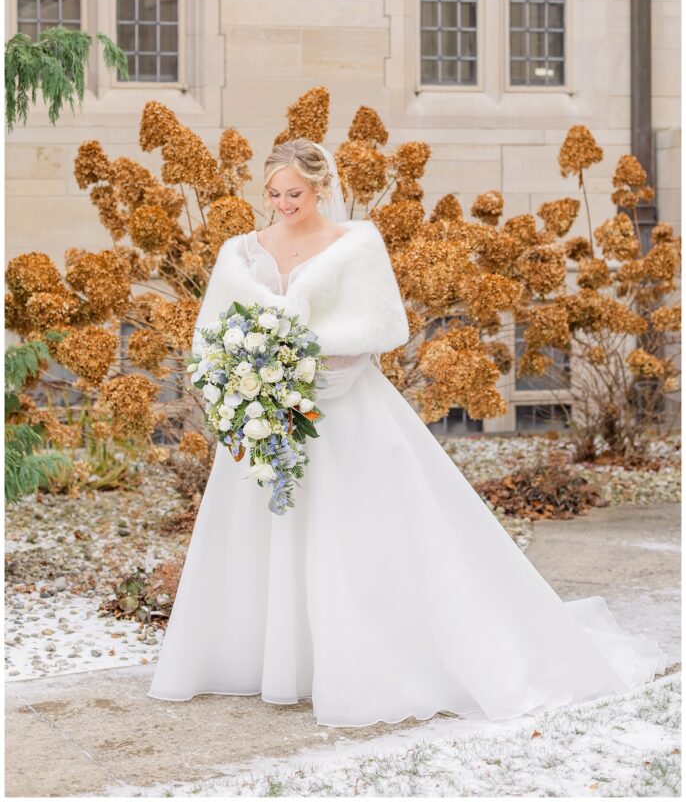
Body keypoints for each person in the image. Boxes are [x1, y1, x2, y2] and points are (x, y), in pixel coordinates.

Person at [147, 138, 667, 728]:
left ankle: (369, 658)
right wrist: (251, 389)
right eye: (273, 193)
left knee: (354, 537)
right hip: (261, 419)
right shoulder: (240, 252)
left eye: (294, 193)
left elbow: (379, 325)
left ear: (320, 188)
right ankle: (271, 659)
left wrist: (307, 376)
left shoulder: (355, 245)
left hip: (344, 414)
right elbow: (212, 333)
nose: (283, 203)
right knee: (264, 531)